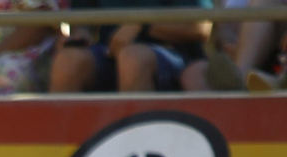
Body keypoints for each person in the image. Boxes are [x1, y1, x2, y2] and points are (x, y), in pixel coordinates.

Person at [48, 0, 209, 93]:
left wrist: (143, 24)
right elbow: (83, 23)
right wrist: (79, 36)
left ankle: (138, 144)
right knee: (67, 60)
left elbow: (201, 28)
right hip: (109, 54)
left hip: (176, 57)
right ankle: (58, 148)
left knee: (133, 58)